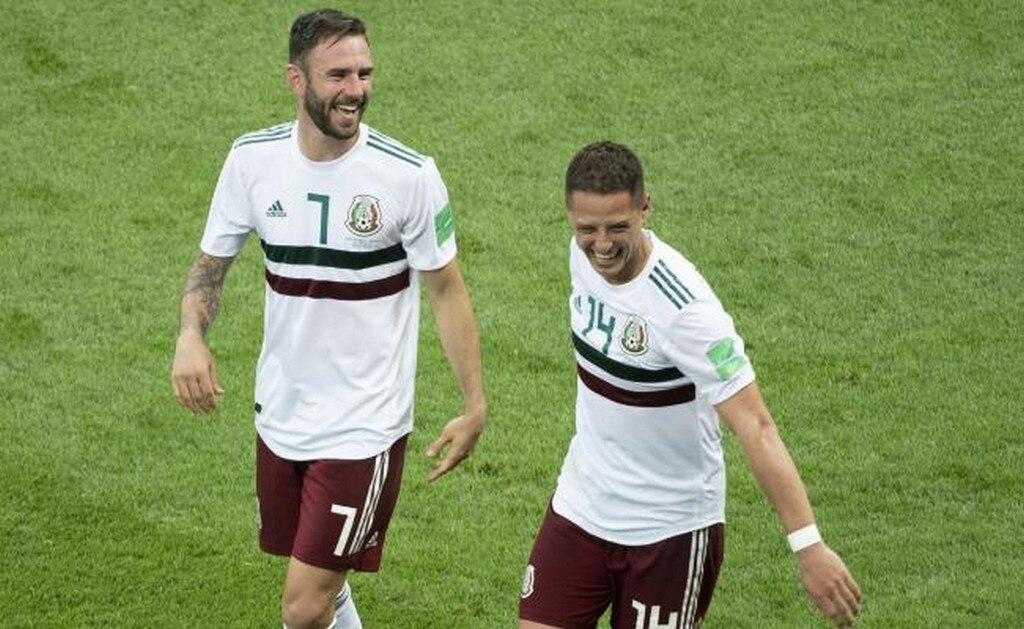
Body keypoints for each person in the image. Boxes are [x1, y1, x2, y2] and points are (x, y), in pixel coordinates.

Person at [170, 9, 486, 629]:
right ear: (297, 80)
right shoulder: (252, 160)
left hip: (364, 425)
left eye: (364, 73)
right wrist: (189, 335)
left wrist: (474, 404)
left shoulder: (408, 176)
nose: (356, 89)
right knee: (322, 586)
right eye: (338, 75)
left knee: (303, 605)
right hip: (281, 412)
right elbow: (210, 266)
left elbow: (447, 291)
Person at [518, 142, 861, 629]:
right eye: (587, 229)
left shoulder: (686, 311)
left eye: (618, 227)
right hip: (581, 507)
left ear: (645, 208)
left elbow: (756, 426)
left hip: (670, 532)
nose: (602, 245)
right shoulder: (582, 258)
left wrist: (809, 546)